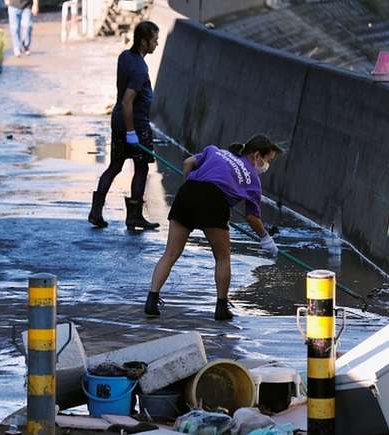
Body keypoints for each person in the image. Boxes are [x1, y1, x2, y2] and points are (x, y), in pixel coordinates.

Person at [144, 135, 282, 321]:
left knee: (170, 254)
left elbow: (188, 162)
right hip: (215, 202)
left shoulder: (216, 151)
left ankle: (151, 300)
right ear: (257, 155)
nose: (266, 165)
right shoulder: (253, 182)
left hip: (188, 194)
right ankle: (221, 307)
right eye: (267, 160)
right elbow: (252, 217)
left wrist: (190, 190)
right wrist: (266, 239)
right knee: (223, 258)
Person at [88, 21, 160, 231]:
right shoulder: (139, 67)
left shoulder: (125, 56)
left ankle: (96, 211)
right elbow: (128, 100)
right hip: (135, 125)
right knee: (141, 167)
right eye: (154, 40)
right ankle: (135, 216)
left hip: (118, 120)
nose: (156, 44)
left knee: (114, 166)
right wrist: (131, 133)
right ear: (144, 41)